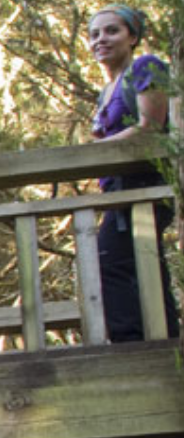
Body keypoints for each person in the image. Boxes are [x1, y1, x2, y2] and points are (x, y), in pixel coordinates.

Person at [87, 4, 180, 341]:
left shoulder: (145, 67)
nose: (101, 39)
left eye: (112, 31)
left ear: (133, 36)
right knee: (143, 266)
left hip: (144, 184)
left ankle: (133, 343)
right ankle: (167, 343)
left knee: (110, 261)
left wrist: (93, 150)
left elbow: (149, 127)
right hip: (117, 190)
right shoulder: (106, 91)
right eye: (94, 34)